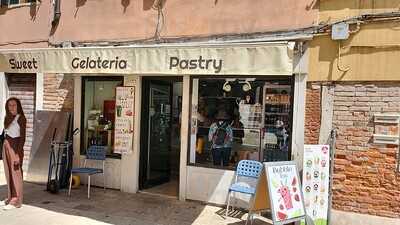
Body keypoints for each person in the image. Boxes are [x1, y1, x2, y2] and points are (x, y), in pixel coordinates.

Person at [0, 97, 26, 210]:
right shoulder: (7, 117)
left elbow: (23, 138)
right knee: (8, 173)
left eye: (14, 105)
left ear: (18, 106)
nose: (12, 107)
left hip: (15, 147)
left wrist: (18, 154)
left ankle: (16, 200)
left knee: (16, 174)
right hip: (6, 145)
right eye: (9, 105)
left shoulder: (21, 118)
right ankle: (10, 197)